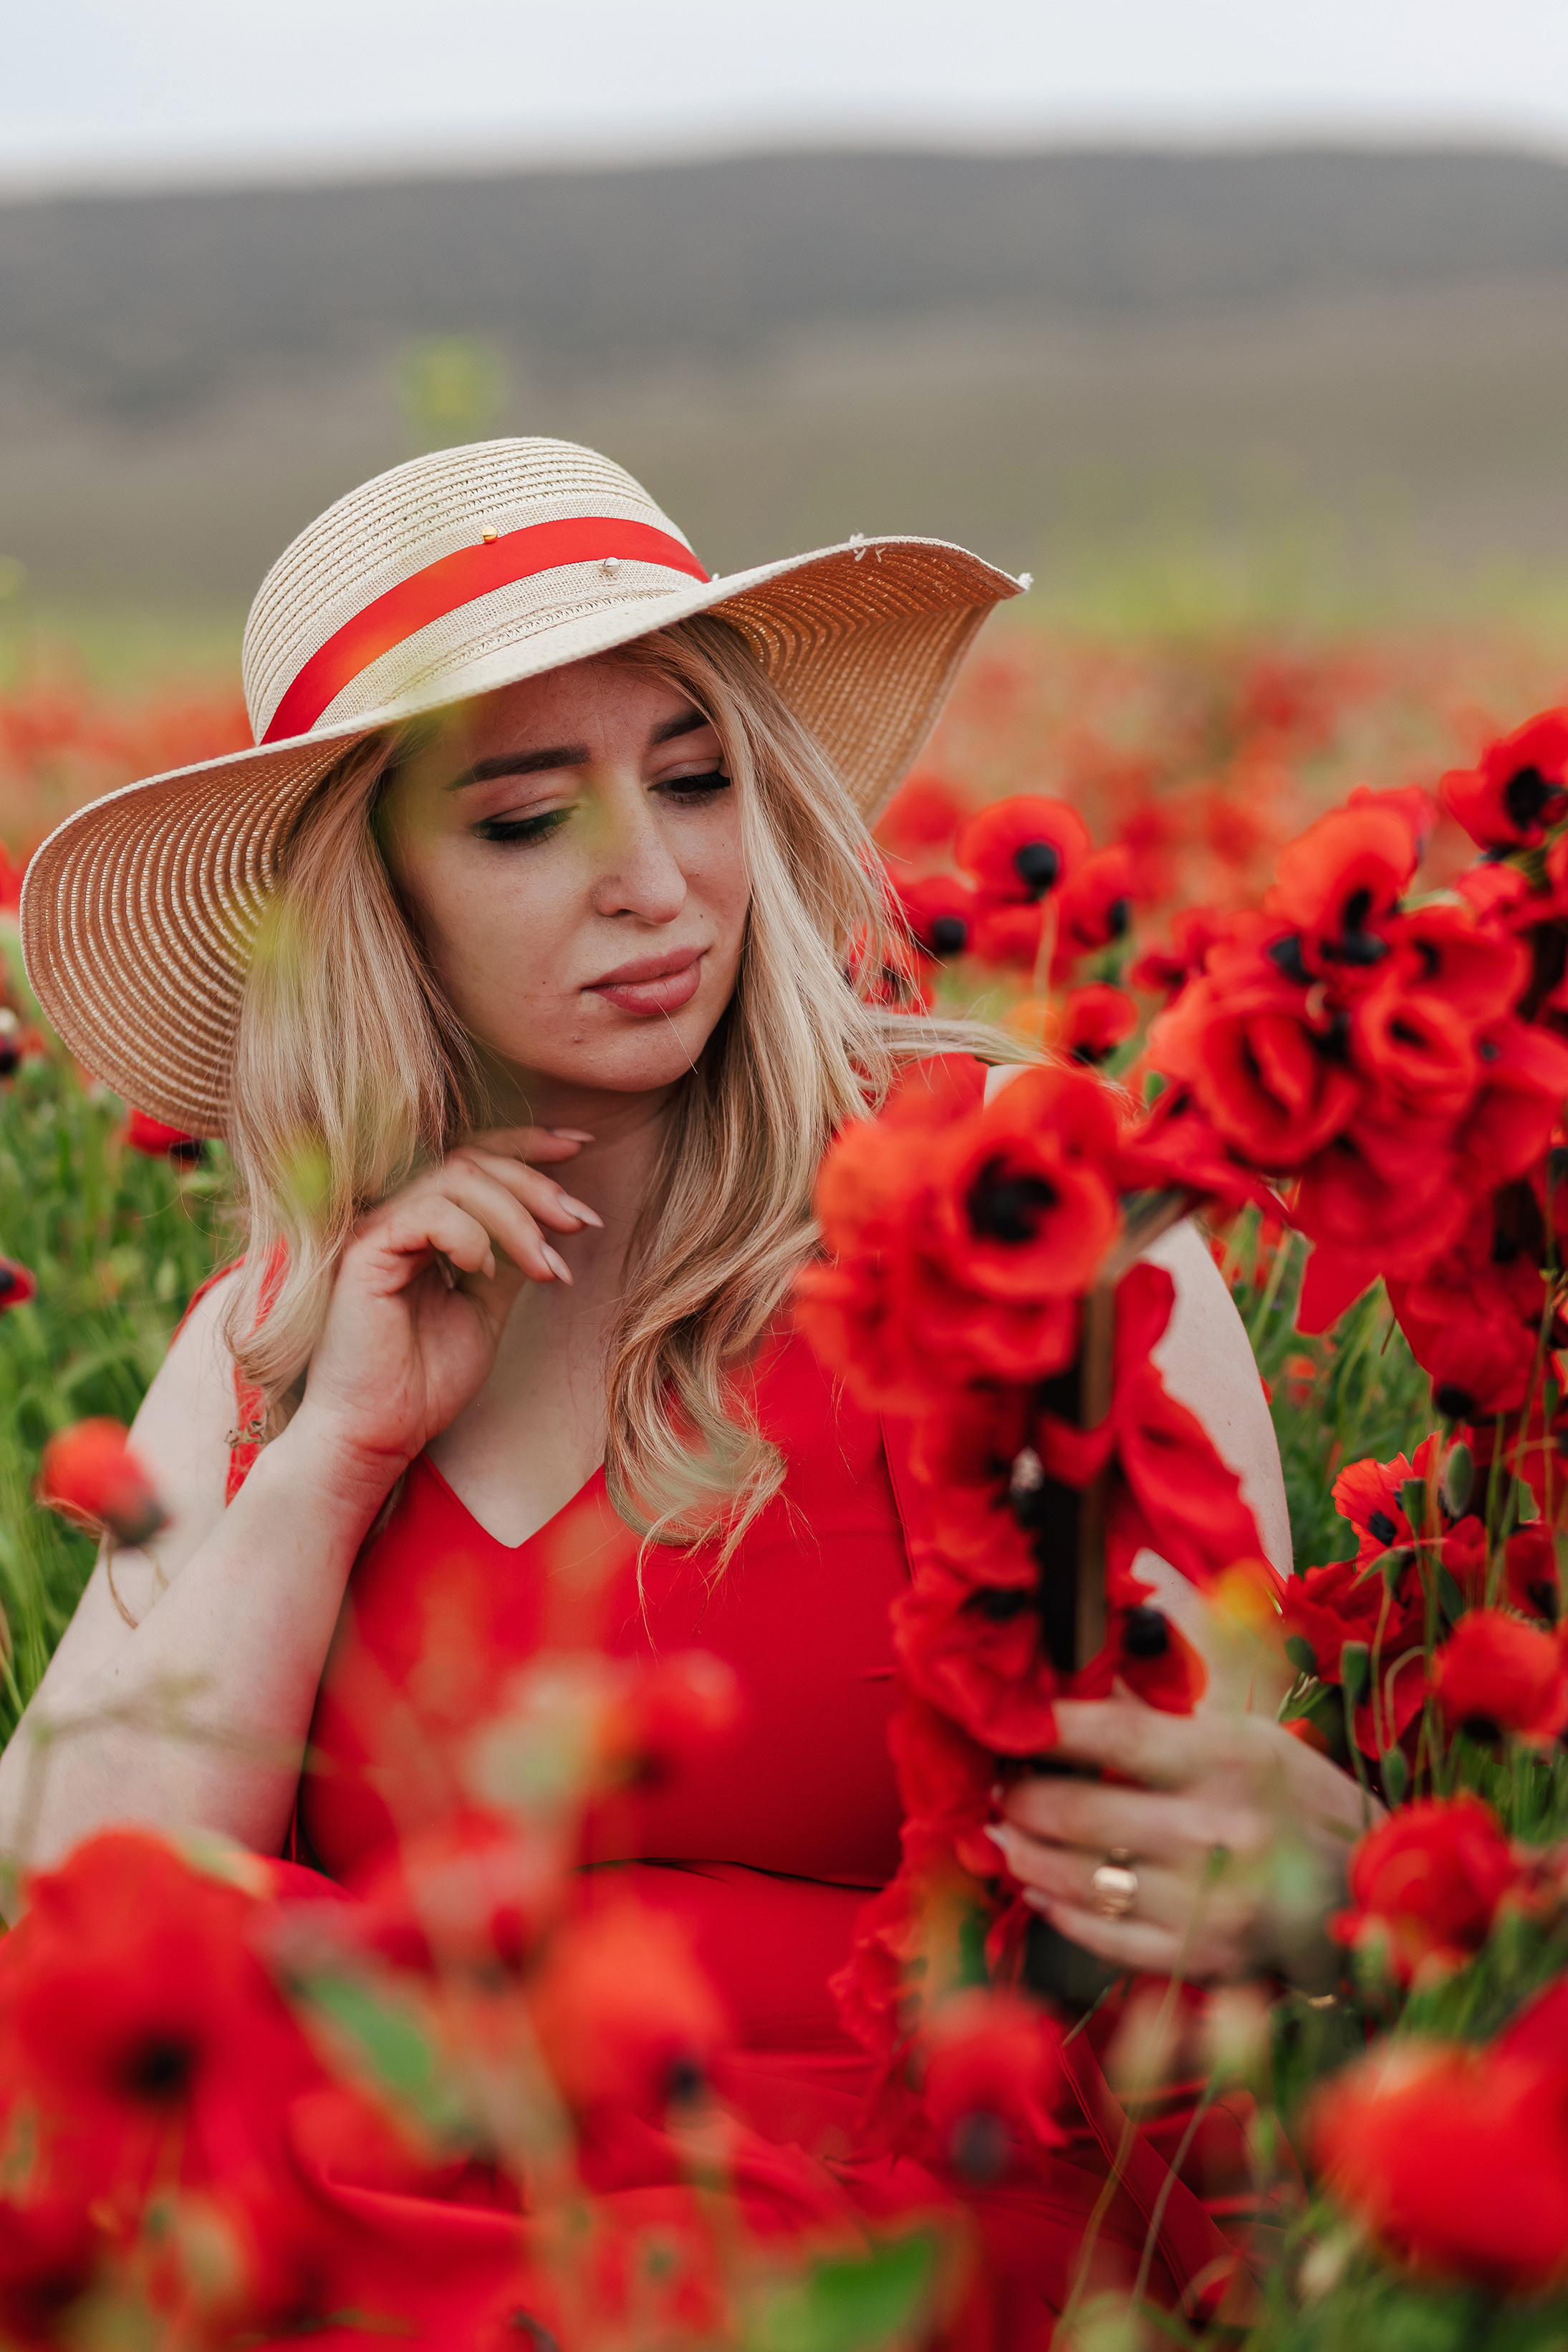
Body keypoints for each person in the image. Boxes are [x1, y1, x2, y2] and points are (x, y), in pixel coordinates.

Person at [2, 438, 1365, 2333]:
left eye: (696, 778)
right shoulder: (283, 1330)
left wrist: (1328, 1877)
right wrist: (335, 1454)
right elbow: (85, 1910)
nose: (654, 883)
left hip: (888, 2212)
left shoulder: (1014, 1214)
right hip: (377, 2179)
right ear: (368, 897)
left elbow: (1192, 1846)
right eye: (522, 816)